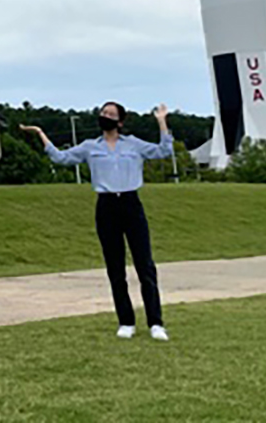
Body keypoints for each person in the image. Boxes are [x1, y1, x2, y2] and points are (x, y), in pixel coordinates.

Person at [19, 102, 174, 341]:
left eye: (111, 114)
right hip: (106, 206)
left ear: (120, 121)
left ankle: (155, 322)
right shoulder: (90, 147)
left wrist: (161, 121)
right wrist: (41, 134)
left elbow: (163, 150)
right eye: (103, 113)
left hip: (132, 204)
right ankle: (126, 321)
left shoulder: (133, 144)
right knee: (115, 267)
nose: (105, 117)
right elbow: (62, 158)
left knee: (145, 265)